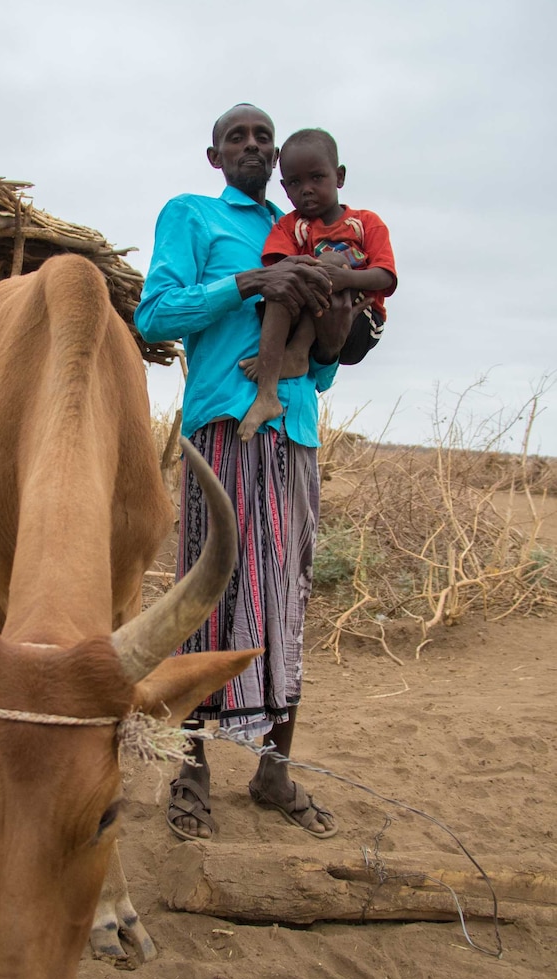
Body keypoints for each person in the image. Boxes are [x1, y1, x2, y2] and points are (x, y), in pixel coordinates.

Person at [134, 103, 359, 841]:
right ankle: (191, 771)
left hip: (293, 433)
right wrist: (249, 285)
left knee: (287, 599)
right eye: (239, 136)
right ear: (214, 155)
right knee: (208, 594)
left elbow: (321, 376)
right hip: (223, 430)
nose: (254, 146)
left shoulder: (299, 230)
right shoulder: (193, 215)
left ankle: (273, 771)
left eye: (264, 136)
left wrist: (329, 328)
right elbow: (155, 317)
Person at [238, 128, 397, 441]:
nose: (306, 190)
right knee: (281, 284)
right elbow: (280, 269)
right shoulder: (289, 227)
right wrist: (310, 273)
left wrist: (344, 277)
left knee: (332, 261)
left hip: (359, 321)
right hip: (310, 315)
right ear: (283, 187)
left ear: (339, 177)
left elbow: (386, 277)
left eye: (317, 178)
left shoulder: (366, 222)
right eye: (295, 183)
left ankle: (297, 354)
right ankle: (267, 394)